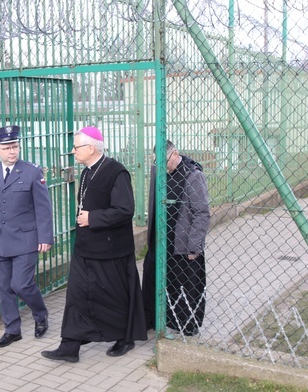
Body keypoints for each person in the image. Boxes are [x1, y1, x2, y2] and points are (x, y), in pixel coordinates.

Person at [41, 126, 147, 363]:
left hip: (110, 250)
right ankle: (69, 346)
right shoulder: (88, 171)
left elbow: (125, 210)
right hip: (85, 248)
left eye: (76, 147)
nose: (72, 151)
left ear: (90, 148)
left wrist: (93, 218)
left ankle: (124, 338)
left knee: (114, 296)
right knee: (77, 294)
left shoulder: (116, 172)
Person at [0, 125, 54, 348]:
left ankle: (40, 314)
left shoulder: (32, 172)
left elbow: (43, 208)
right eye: (6, 148)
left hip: (26, 240)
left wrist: (45, 237)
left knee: (22, 284)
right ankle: (12, 329)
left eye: (15, 146)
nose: (12, 151)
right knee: (4, 287)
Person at [142, 140, 210, 336]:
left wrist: (194, 246)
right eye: (158, 161)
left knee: (185, 285)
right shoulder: (158, 172)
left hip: (182, 244)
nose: (162, 166)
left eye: (165, 161)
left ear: (176, 154)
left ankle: (186, 323)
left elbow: (201, 213)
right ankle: (152, 318)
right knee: (151, 279)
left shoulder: (193, 176)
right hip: (159, 241)